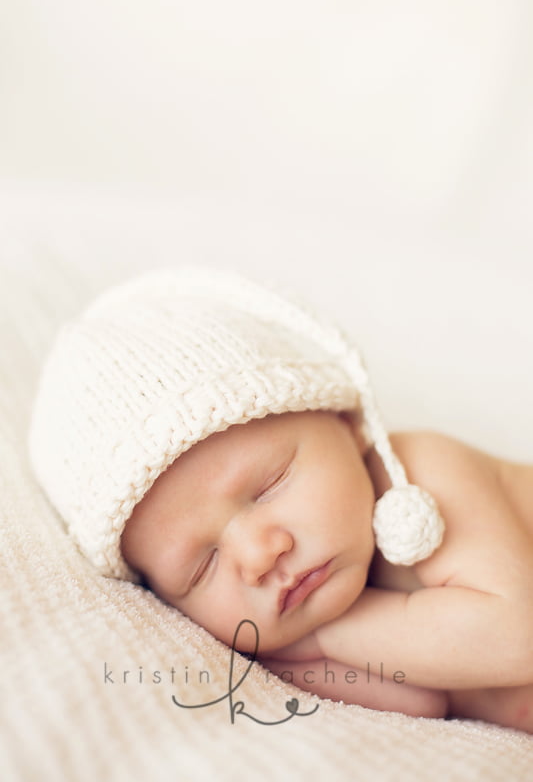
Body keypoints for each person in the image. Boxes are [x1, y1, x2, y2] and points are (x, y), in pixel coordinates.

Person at [28, 267, 533, 732]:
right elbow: (422, 702)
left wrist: (325, 639)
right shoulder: (289, 630)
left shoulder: (420, 472)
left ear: (344, 422)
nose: (258, 555)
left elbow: (515, 637)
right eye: (201, 567)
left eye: (269, 485)